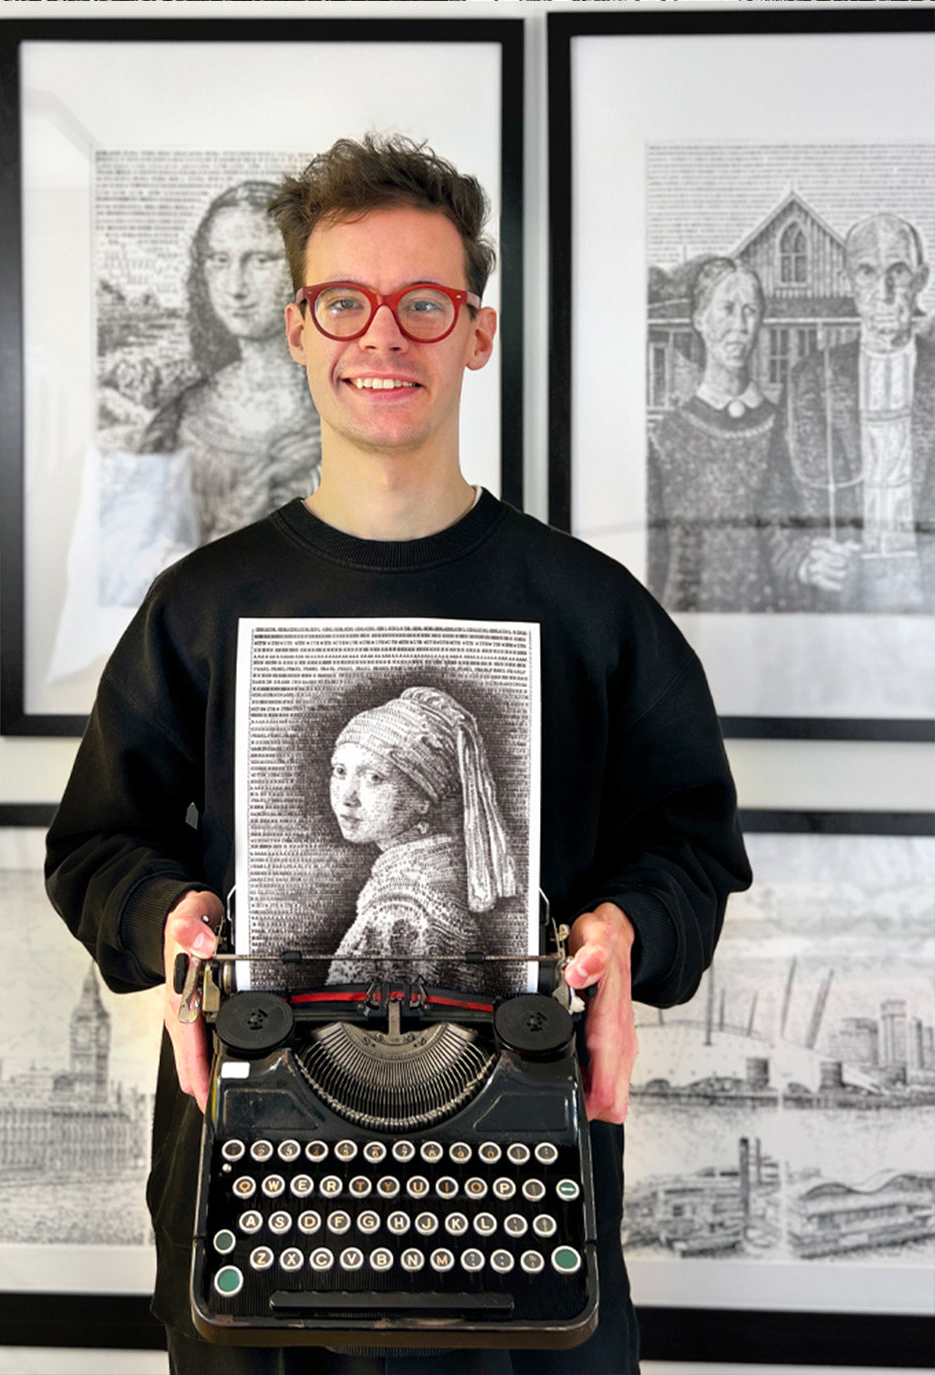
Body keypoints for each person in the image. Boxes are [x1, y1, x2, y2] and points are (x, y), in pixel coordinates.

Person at [46, 134, 751, 1374]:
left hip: (520, 1177)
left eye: (423, 303)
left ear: (475, 332)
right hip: (255, 1181)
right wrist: (169, 916)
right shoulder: (197, 606)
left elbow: (690, 845)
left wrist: (628, 927)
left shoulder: (594, 612)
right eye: (344, 303)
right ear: (297, 329)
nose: (383, 336)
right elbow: (98, 845)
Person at [139, 180, 321, 548]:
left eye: (260, 260)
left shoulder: (346, 410)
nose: (236, 286)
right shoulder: (177, 421)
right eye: (219, 261)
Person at [785, 212, 934, 612]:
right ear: (847, 280)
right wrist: (803, 561)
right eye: (867, 272)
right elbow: (775, 503)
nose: (884, 292)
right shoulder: (810, 379)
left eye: (898, 272)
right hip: (843, 589)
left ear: (921, 279)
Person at [326, 685, 517, 991]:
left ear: (423, 797)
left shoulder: (399, 912)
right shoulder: (437, 872)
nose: (347, 796)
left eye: (374, 777)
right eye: (340, 771)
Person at [647, 258, 794, 612]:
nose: (740, 326)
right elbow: (653, 562)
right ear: (699, 318)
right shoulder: (665, 439)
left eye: (750, 311)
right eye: (727, 309)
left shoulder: (786, 431)